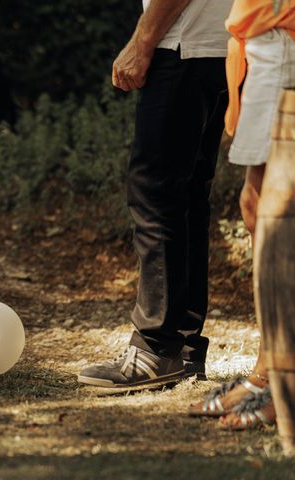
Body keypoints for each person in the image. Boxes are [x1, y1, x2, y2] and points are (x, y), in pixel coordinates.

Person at [77, 0, 233, 388]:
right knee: (189, 200)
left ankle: (153, 349)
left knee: (156, 194)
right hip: (220, 47)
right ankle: (182, 347)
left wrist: (141, 42)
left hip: (181, 46)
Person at [189, 0, 295, 432]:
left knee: (281, 213)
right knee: (258, 208)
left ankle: (284, 382)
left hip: (284, 33)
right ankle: (268, 371)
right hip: (262, 36)